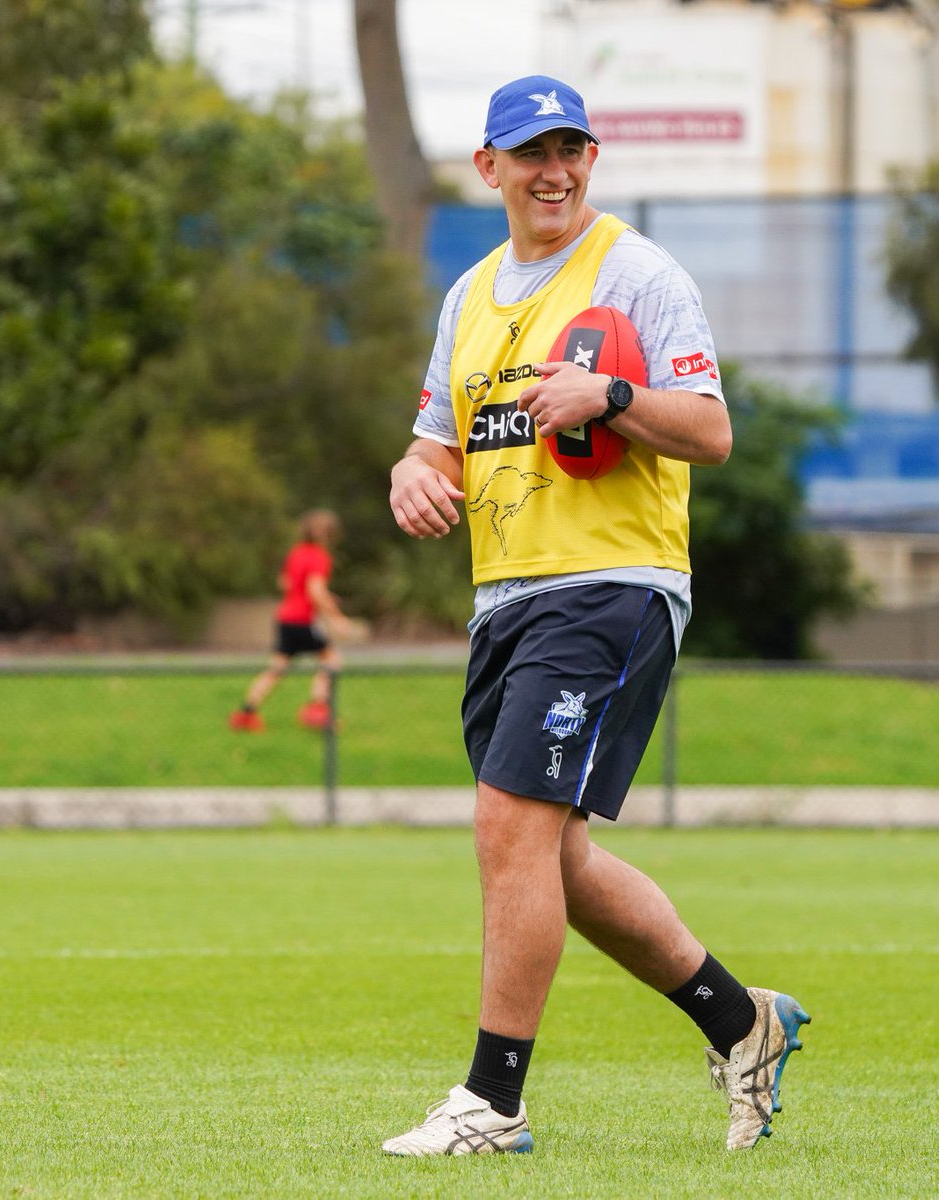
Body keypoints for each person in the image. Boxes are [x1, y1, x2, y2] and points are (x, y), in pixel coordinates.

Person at [382, 74, 809, 1157]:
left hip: (612, 586)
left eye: (572, 147)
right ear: (490, 169)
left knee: (507, 828)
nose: (555, 169)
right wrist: (412, 471)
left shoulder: (636, 272)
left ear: (592, 158)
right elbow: (439, 432)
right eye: (531, 152)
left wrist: (610, 398)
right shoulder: (471, 294)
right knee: (550, 859)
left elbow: (710, 430)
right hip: (505, 598)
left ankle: (493, 1102)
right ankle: (740, 1021)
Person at [228, 508, 359, 732]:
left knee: (276, 669)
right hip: (304, 621)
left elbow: (285, 583)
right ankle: (317, 710)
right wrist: (337, 618)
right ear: (328, 535)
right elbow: (315, 590)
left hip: (285, 618)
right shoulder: (319, 557)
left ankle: (246, 713)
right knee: (331, 661)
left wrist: (312, 596)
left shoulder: (296, 552)